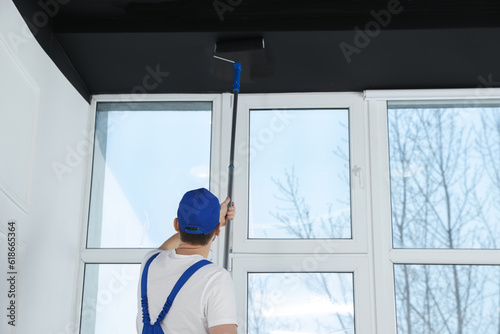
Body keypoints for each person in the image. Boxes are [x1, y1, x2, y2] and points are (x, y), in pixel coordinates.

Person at [136, 188, 238, 334]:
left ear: (176, 225)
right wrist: (216, 220)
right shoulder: (215, 278)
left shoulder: (150, 262)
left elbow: (168, 247)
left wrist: (213, 220)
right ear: (217, 230)